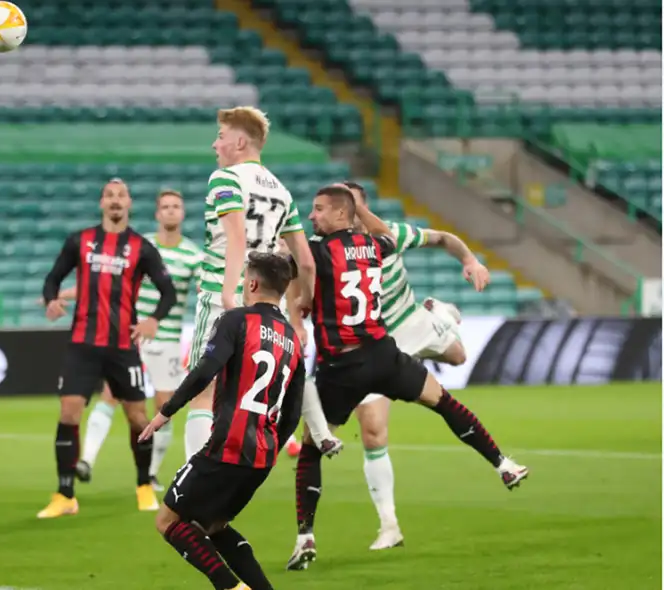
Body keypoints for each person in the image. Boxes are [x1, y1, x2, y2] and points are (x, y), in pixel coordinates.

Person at [286, 185, 529, 571]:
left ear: (342, 213)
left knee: (313, 446)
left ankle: (305, 536)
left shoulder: (315, 251)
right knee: (439, 402)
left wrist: (296, 294)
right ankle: (501, 463)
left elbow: (293, 261)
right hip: (385, 351)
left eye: (318, 210)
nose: (311, 216)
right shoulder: (380, 245)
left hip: (343, 365)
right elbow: (386, 239)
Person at [139, 252, 306, 590]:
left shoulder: (236, 320)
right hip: (261, 456)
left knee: (168, 521)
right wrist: (272, 449)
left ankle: (229, 587)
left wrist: (165, 411)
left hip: (226, 447)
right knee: (214, 527)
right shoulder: (293, 339)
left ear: (253, 283)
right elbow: (293, 410)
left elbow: (204, 370)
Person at [38, 179, 177, 518]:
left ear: (129, 203)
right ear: (102, 203)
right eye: (110, 196)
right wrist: (51, 301)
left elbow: (168, 292)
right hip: (82, 344)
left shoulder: (141, 247)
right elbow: (52, 278)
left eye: (121, 196)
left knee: (137, 416)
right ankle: (65, 494)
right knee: (69, 412)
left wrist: (153, 320)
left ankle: (144, 484)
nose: (116, 201)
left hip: (122, 347)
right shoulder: (80, 241)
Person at [185, 106, 316, 462]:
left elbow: (236, 238)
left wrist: (229, 293)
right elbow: (305, 260)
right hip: (267, 303)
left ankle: (193, 482)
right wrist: (305, 301)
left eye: (221, 136)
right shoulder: (283, 192)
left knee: (203, 388)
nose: (215, 144)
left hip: (222, 295)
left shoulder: (225, 179)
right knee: (241, 392)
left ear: (240, 141)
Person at [58, 189, 203, 491]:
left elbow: (203, 291)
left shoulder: (193, 255)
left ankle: (149, 472)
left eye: (176, 206)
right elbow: (104, 283)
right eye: (165, 206)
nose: (171, 211)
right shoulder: (138, 246)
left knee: (164, 405)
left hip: (167, 339)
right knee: (111, 395)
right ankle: (86, 460)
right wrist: (65, 294)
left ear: (183, 213)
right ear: (156, 213)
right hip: (128, 337)